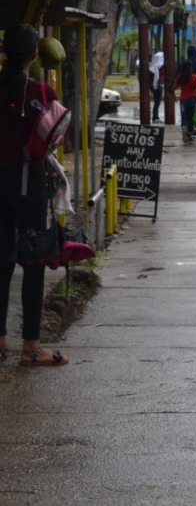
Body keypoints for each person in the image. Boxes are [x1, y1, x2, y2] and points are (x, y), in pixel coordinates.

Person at [0, 24, 68, 366]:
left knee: (1, 260)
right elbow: (54, 140)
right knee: (33, 260)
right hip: (29, 184)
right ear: (33, 55)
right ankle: (30, 347)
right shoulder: (43, 92)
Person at [174, 58, 196, 143]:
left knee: (184, 116)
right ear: (190, 68)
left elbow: (173, 87)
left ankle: (184, 128)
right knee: (191, 118)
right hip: (193, 99)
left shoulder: (180, 77)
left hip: (183, 100)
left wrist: (174, 96)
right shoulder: (195, 77)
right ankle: (190, 134)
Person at [148, 49, 165, 122]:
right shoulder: (160, 65)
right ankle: (155, 117)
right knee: (157, 102)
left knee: (157, 102)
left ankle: (156, 117)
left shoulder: (152, 67)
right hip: (158, 85)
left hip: (154, 85)